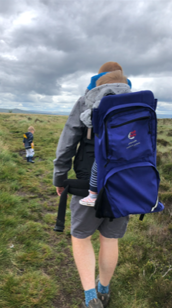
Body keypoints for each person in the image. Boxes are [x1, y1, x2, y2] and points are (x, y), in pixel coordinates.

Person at [53, 62, 130, 308]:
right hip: (125, 182)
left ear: (99, 79)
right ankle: (104, 289)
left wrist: (60, 176)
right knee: (110, 239)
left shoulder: (87, 100)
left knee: (81, 236)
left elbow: (67, 141)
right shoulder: (137, 103)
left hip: (89, 181)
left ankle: (90, 296)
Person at [79, 70, 131, 207]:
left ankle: (93, 194)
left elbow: (88, 120)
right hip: (131, 145)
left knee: (98, 166)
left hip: (109, 144)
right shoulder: (132, 103)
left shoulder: (102, 103)